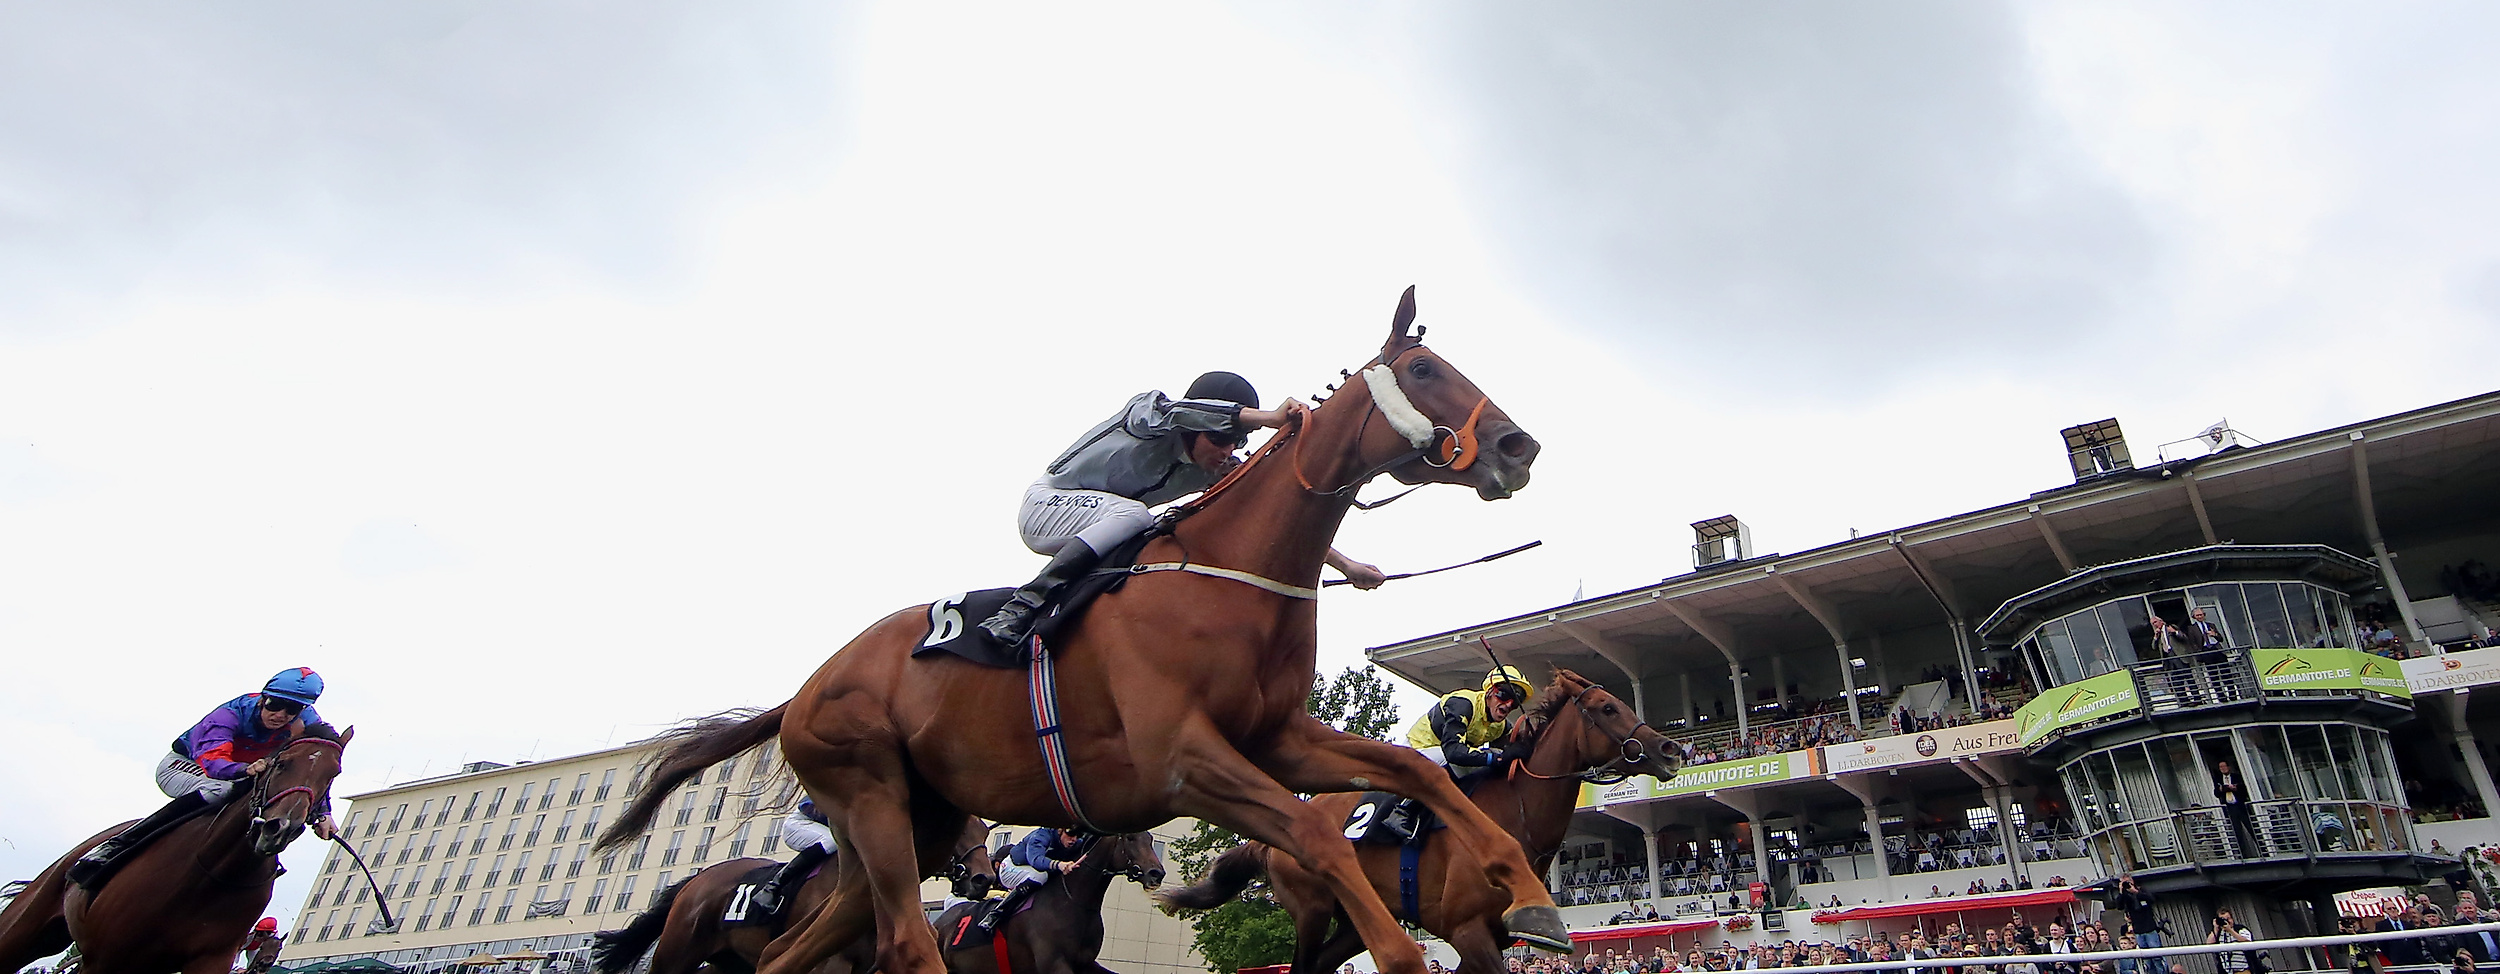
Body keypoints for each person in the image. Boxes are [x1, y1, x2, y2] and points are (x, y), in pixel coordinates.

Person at [977, 372, 1384, 646]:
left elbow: (1270, 516)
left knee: (1160, 535)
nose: (1226, 452)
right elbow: (1176, 411)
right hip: (1047, 504)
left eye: (1234, 444)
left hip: (1101, 522)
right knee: (1137, 517)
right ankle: (1019, 608)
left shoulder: (1214, 467)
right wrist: (1268, 418)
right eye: (1219, 437)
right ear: (1194, 423)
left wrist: (1348, 567)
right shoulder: (1148, 414)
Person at [68, 668, 337, 887]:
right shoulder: (230, 714)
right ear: (262, 698)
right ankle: (115, 846)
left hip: (245, 774)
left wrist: (323, 812)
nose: (281, 715)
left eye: (291, 710)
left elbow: (312, 769)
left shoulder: (307, 723)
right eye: (275, 705)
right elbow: (213, 762)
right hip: (187, 767)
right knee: (223, 791)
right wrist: (244, 770)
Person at [1380, 666, 1535, 840]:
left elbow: (1507, 755)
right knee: (1467, 760)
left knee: (1491, 759)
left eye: (1515, 702)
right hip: (1415, 752)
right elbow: (1453, 752)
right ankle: (1401, 812)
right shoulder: (1463, 703)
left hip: (1442, 756)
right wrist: (1497, 757)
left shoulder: (1500, 726)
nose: (1508, 705)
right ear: (1490, 690)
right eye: (1504, 695)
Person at [972, 826, 1085, 935]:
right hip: (1011, 869)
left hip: (1032, 870)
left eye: (1077, 835)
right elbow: (1035, 860)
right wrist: (1059, 865)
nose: (1074, 839)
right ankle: (995, 915)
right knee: (1040, 876)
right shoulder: (1041, 836)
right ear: (1060, 830)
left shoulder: (1076, 843)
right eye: (1070, 834)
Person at [747, 797, 835, 915]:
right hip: (799, 824)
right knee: (831, 841)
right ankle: (772, 888)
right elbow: (805, 805)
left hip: (818, 827)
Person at [2215, 760, 2262, 858]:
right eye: (2220, 767)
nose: (2223, 769)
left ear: (2229, 767)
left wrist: (2235, 788)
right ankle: (2243, 855)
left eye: (2224, 766)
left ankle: (2263, 849)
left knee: (2251, 827)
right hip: (2230, 808)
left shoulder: (2236, 777)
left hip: (2240, 806)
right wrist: (2222, 789)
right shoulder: (2218, 779)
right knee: (2237, 831)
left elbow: (2244, 789)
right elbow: (2216, 793)